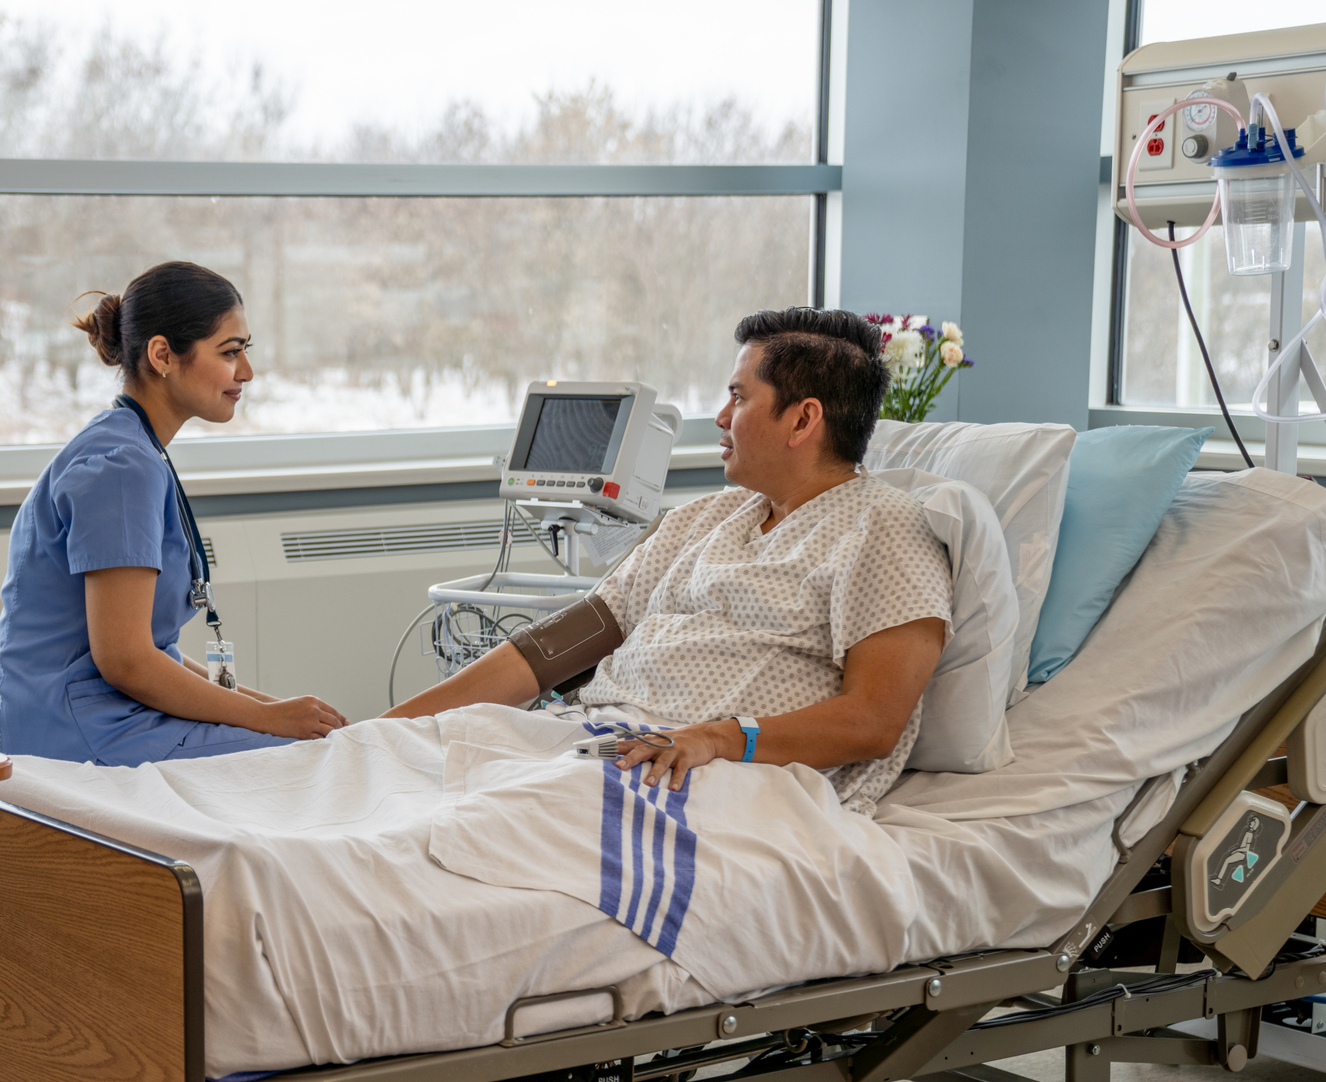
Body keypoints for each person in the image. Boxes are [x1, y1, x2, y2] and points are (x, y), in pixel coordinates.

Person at [383, 306, 952, 816]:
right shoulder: (702, 519)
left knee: (447, 829)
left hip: (708, 771)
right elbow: (551, 651)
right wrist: (384, 730)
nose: (721, 417)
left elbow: (874, 720)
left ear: (803, 420)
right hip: (593, 738)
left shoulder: (883, 528)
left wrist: (718, 738)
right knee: (396, 773)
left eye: (739, 396)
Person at [0, 261, 348, 765]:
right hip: (83, 735)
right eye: (230, 352)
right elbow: (126, 661)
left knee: (320, 739)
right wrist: (270, 720)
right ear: (162, 354)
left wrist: (268, 705)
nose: (246, 371)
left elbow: (151, 653)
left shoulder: (132, 447)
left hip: (105, 714)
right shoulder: (121, 468)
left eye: (246, 351)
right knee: (323, 760)